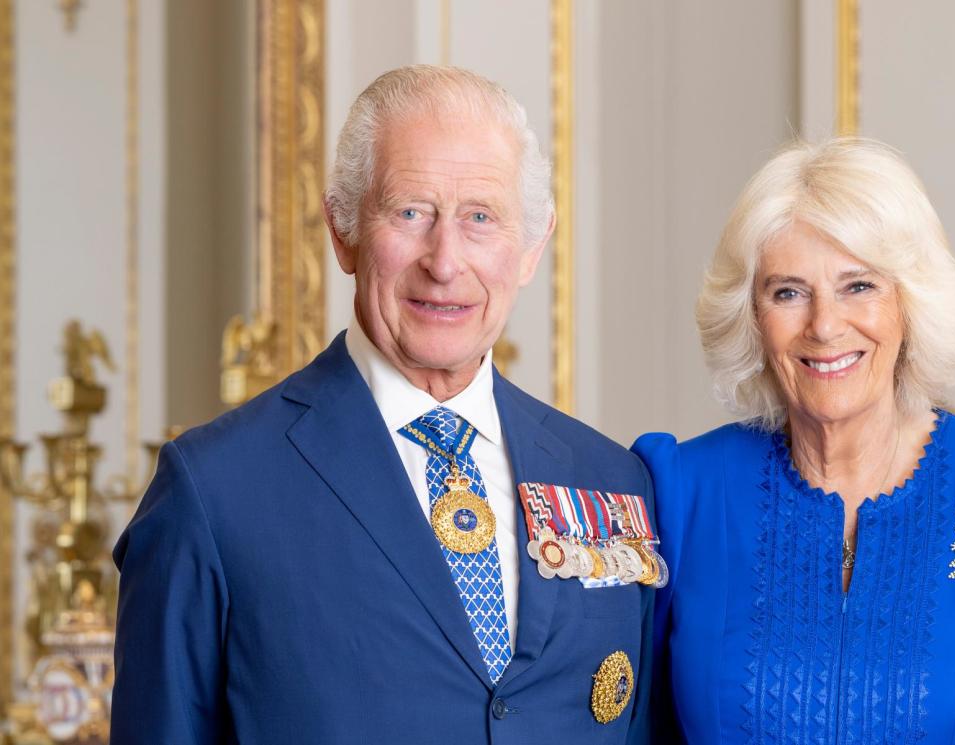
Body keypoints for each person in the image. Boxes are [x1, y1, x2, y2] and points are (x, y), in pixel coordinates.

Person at [111, 65, 658, 745]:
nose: (445, 259)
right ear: (343, 229)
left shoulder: (610, 479)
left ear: (531, 247)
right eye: (411, 212)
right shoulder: (213, 492)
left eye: (480, 217)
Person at [633, 138, 955, 744]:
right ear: (752, 315)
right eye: (788, 292)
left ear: (910, 304)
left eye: (859, 286)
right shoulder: (679, 492)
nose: (825, 325)